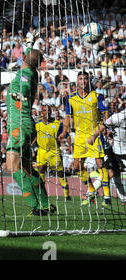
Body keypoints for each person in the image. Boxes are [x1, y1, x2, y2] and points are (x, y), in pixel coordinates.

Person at [5, 30, 56, 216]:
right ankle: (44, 204)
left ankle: (34, 206)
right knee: (27, 168)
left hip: (19, 125)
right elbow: (28, 61)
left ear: (25, 58)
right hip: (27, 125)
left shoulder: (26, 77)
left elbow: (25, 87)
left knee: (12, 167)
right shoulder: (31, 71)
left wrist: (20, 96)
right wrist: (30, 43)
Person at [60, 71, 111, 207]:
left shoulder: (97, 96)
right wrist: (64, 131)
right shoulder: (70, 99)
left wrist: (103, 128)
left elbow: (105, 113)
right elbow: (67, 117)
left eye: (85, 79)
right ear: (77, 82)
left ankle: (107, 196)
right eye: (80, 79)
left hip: (94, 134)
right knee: (76, 167)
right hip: (79, 136)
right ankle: (91, 189)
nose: (83, 81)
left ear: (89, 81)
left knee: (100, 164)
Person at [87, 107, 126, 205]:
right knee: (111, 173)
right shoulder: (118, 117)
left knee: (113, 173)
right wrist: (93, 137)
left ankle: (123, 199)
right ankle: (89, 193)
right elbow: (103, 126)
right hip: (118, 152)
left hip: (120, 150)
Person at [33, 105, 70, 200]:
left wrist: (70, 145)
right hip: (42, 151)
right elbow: (34, 136)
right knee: (41, 169)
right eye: (45, 110)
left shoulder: (57, 123)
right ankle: (42, 193)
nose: (48, 112)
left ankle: (66, 195)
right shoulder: (37, 124)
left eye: (49, 110)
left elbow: (66, 134)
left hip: (54, 151)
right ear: (42, 113)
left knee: (60, 172)